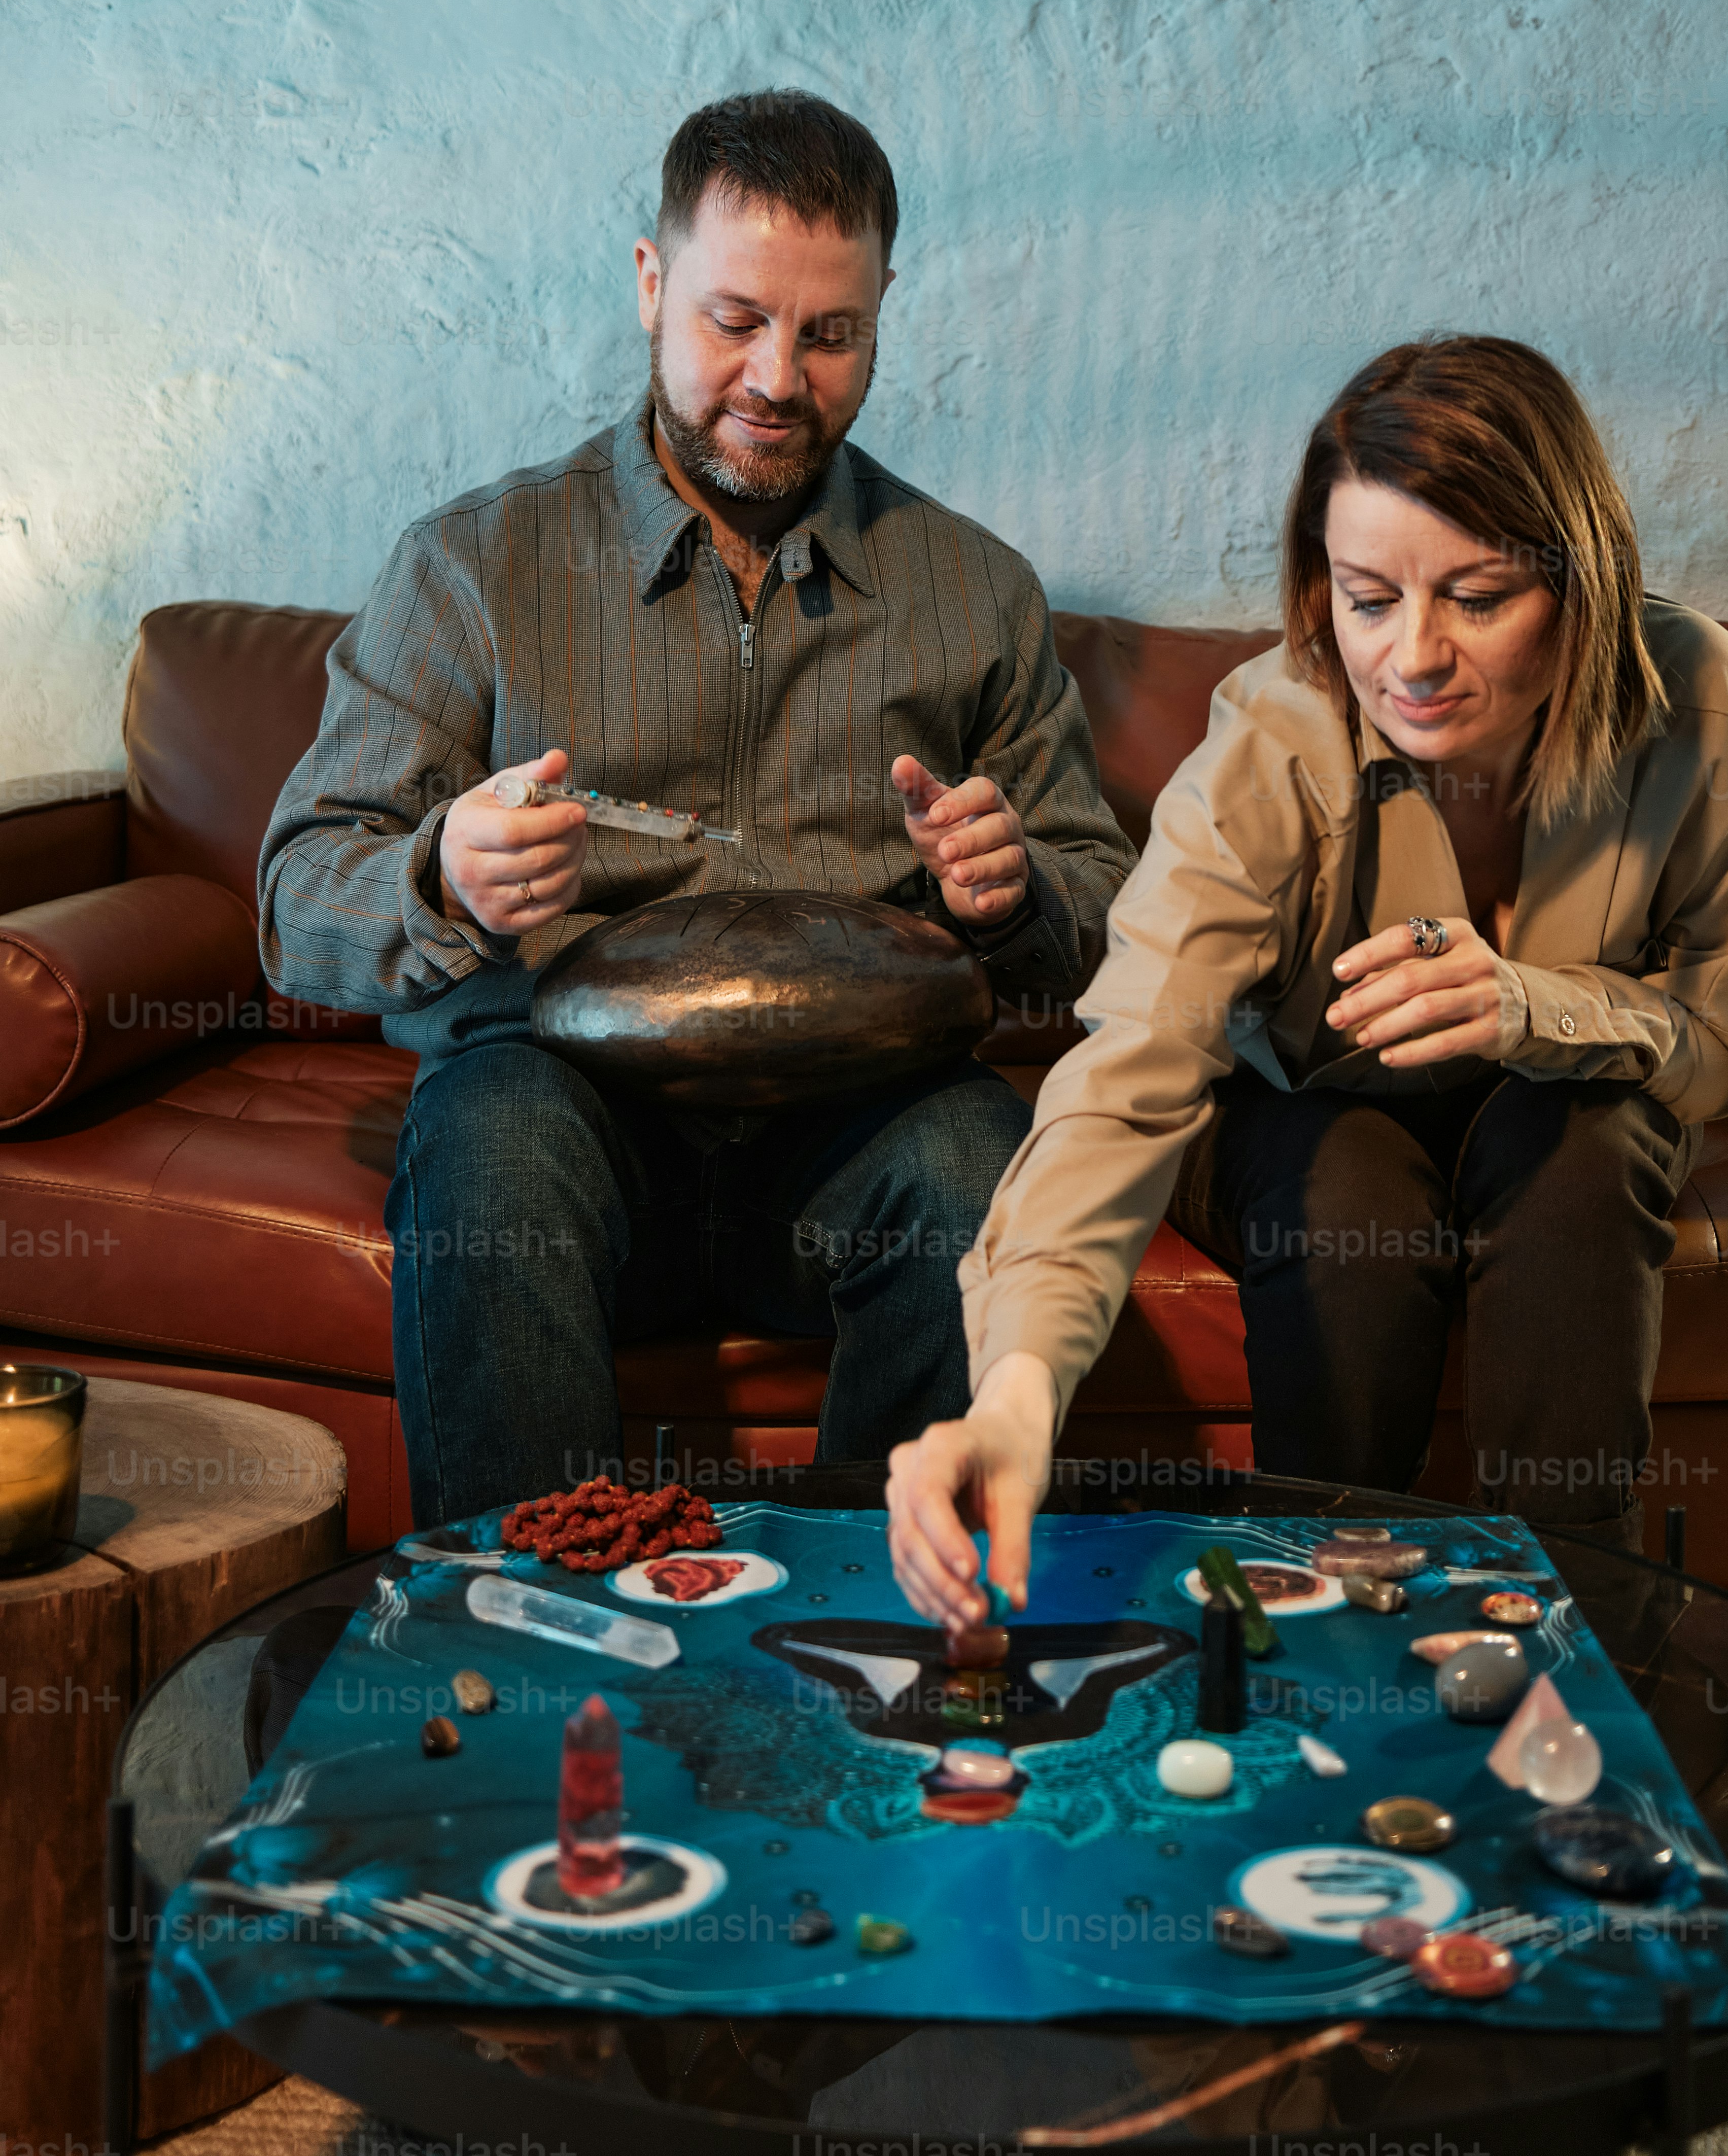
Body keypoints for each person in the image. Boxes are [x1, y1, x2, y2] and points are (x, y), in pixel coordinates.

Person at [258, 90, 1133, 1526]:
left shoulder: (975, 590)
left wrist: (1016, 891)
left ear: (883, 311)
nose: (778, 379)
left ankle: (875, 1626)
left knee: (982, 1163)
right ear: (652, 283)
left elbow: (1104, 908)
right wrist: (443, 877)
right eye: (736, 320)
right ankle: (536, 1629)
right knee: (492, 1146)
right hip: (558, 1107)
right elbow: (299, 899)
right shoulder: (474, 563)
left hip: (857, 1121)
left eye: (831, 333)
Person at [887, 334, 1728, 1628]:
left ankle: (1574, 1619)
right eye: (1368, 599)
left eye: (1476, 597)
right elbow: (1128, 1063)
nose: (1411, 657)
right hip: (1293, 1109)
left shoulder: (1711, 705)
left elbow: (1723, 1047)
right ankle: (1326, 1613)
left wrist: (1528, 1007)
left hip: (1566, 1107)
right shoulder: (1270, 739)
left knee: (1585, 1147)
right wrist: (1017, 1390)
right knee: (1351, 1187)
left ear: (1580, 581)